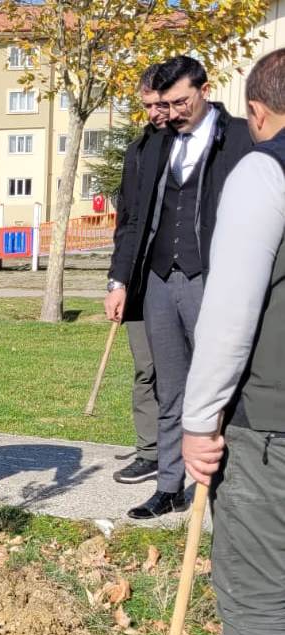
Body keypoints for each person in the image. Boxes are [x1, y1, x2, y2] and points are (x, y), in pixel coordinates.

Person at [104, 56, 253, 519]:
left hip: (215, 280)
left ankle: (229, 491)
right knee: (171, 388)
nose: (169, 112)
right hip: (160, 283)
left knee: (225, 385)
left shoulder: (244, 139)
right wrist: (120, 279)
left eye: (179, 101)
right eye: (163, 103)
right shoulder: (150, 148)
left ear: (204, 90)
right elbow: (131, 223)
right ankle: (168, 485)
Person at [182, 48, 285, 635]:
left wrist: (198, 420)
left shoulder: (263, 171)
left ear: (256, 112)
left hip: (270, 436)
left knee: (260, 602)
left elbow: (229, 312)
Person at [105, 64, 165, 485]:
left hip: (190, 281)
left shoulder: (208, 146)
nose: (156, 112)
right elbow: (126, 221)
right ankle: (151, 450)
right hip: (141, 283)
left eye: (163, 103)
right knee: (146, 367)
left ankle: (181, 450)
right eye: (148, 105)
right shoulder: (138, 152)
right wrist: (118, 281)